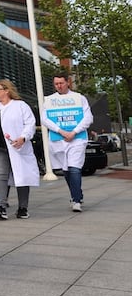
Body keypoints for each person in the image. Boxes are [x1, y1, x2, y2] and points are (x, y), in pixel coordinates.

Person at [0, 79, 38, 220]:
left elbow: (30, 124)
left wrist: (23, 137)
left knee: (21, 176)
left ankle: (23, 208)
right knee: (0, 176)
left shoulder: (20, 105)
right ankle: (1, 207)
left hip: (16, 146)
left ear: (6, 91)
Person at [41, 72, 94, 212]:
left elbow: (88, 117)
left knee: (74, 168)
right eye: (56, 84)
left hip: (77, 139)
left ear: (68, 82)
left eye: (61, 83)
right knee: (66, 170)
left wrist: (74, 132)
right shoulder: (49, 101)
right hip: (59, 139)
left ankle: (76, 200)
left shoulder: (79, 98)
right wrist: (61, 131)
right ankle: (77, 194)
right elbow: (45, 119)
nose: (59, 86)